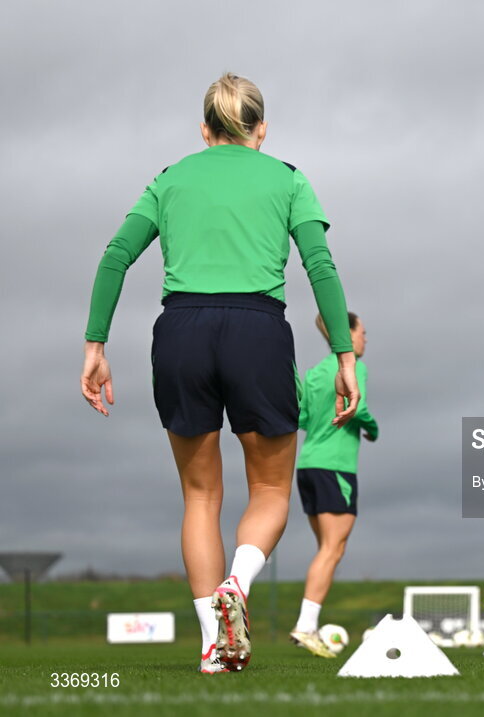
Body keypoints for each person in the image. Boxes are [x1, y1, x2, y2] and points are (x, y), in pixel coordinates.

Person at [80, 73, 359, 674]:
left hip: (180, 330)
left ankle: (214, 644)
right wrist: (344, 354)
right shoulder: (287, 176)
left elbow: (114, 255)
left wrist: (95, 344)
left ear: (203, 130)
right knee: (270, 490)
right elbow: (320, 266)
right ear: (262, 129)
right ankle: (239, 583)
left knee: (200, 495)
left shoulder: (170, 177)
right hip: (257, 328)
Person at [290, 313, 378, 657]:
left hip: (308, 465)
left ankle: (309, 623)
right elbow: (359, 408)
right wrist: (373, 428)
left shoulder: (314, 373)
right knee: (332, 549)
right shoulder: (353, 366)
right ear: (349, 335)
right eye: (363, 332)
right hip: (336, 467)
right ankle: (306, 626)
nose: (365, 340)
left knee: (328, 549)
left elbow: (302, 419)